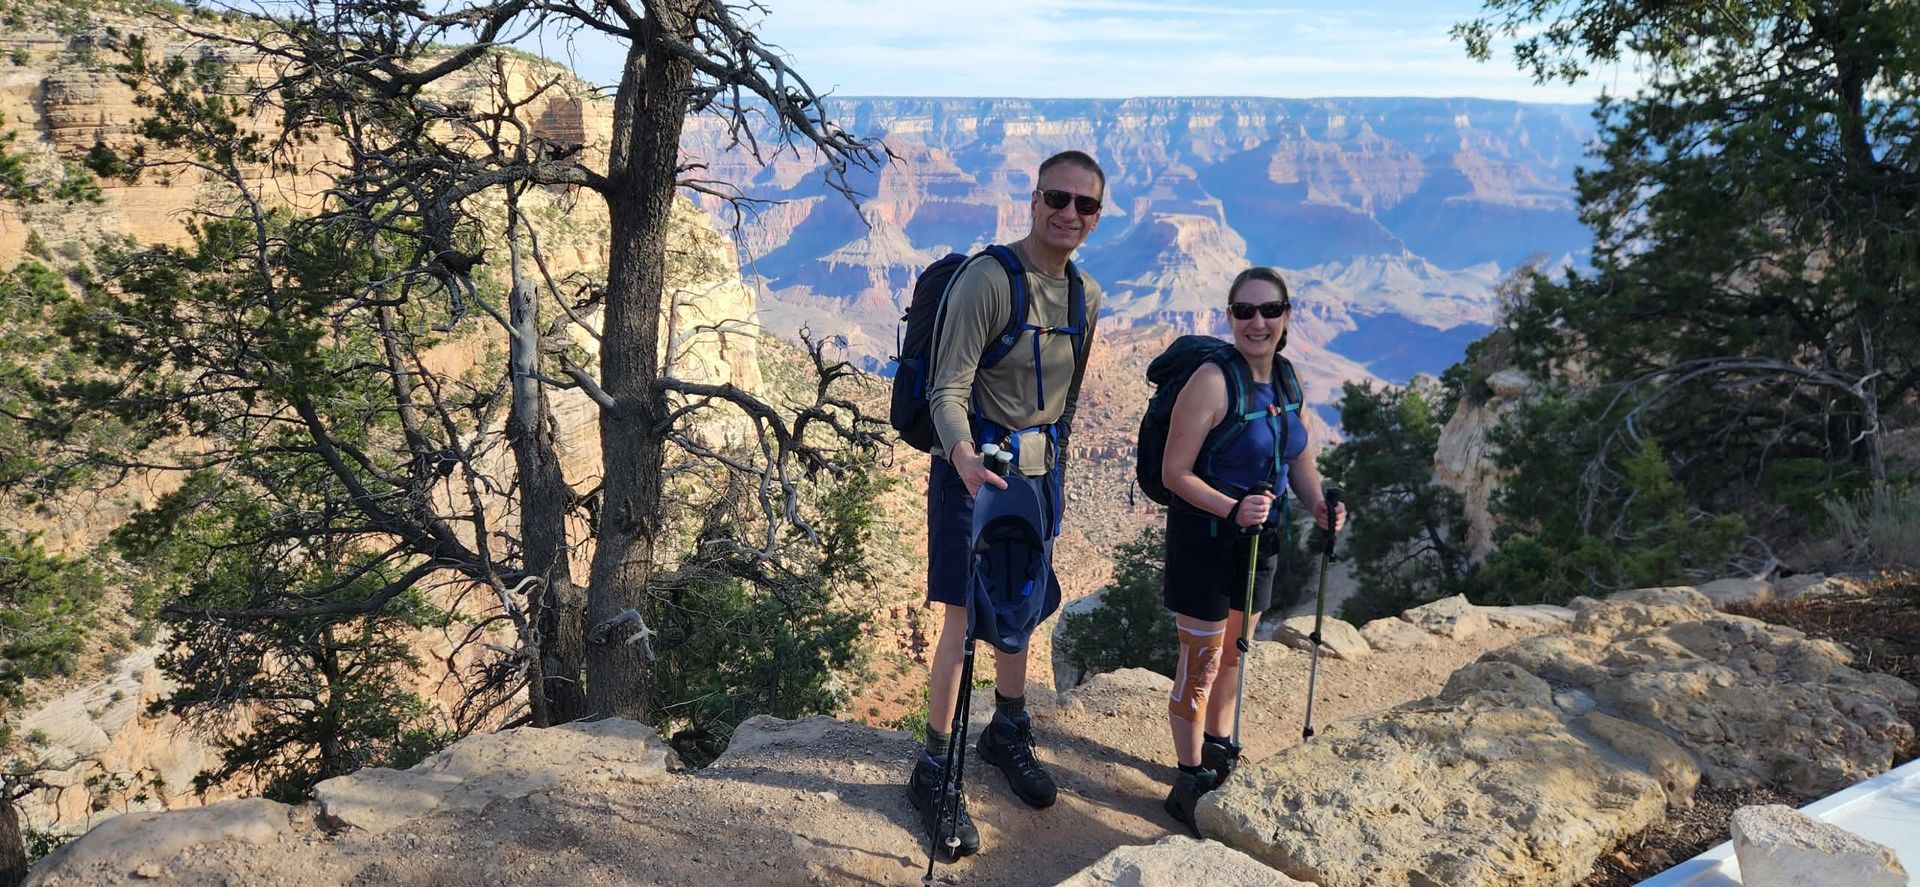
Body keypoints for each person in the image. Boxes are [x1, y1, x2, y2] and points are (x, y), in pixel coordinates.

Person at [907, 150, 1107, 858]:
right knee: (965, 625)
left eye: (1086, 205)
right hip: (974, 470)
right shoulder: (988, 281)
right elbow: (946, 388)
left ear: (1097, 214)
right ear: (1034, 198)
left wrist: (1055, 473)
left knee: (1023, 608)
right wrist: (961, 458)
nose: (1069, 214)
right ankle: (933, 768)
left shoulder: (1088, 296)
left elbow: (1069, 401)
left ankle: (1007, 729)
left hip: (1038, 476)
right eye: (1059, 197)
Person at [1156, 266, 1344, 830]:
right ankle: (1187, 781)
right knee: (1202, 663)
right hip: (1206, 541)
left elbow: (1298, 456)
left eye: (1269, 310)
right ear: (1230, 316)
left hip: (1263, 542)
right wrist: (1231, 509)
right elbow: (1174, 472)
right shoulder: (1212, 382)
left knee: (1237, 651)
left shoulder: (1288, 379)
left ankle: (1219, 750)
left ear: (1286, 317)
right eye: (1244, 311)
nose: (1257, 322)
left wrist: (1317, 504)